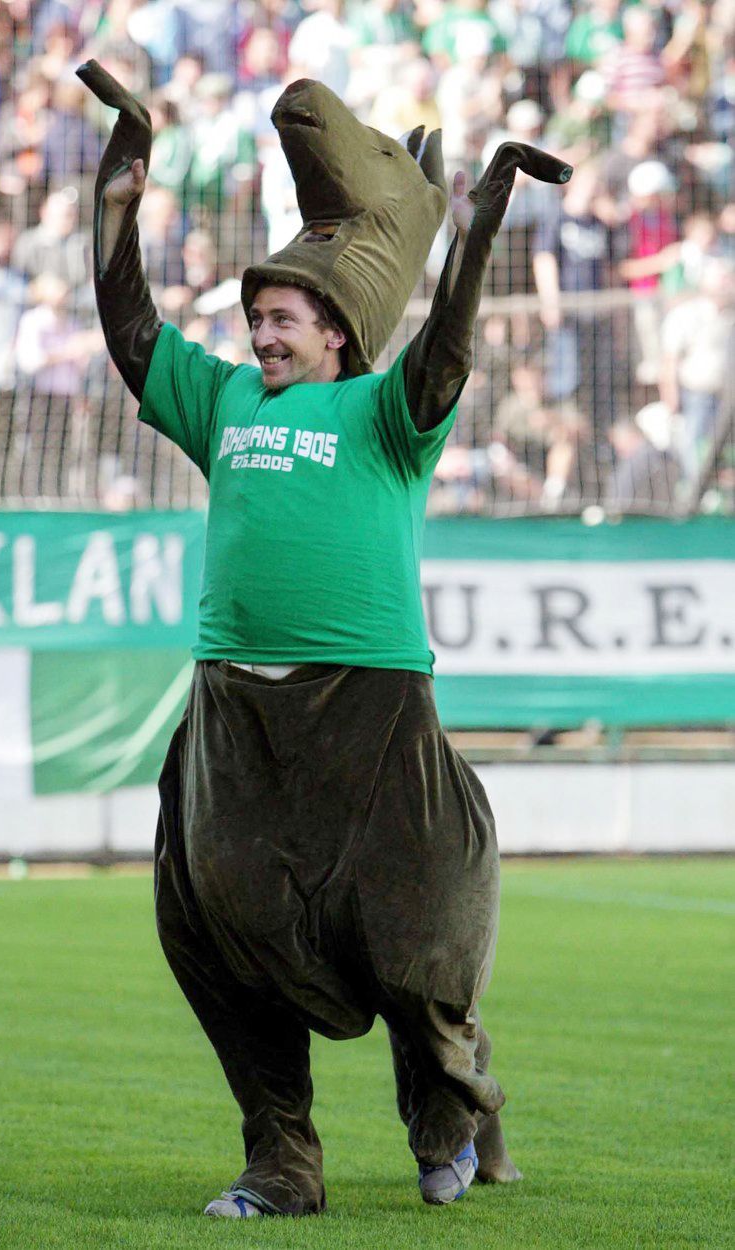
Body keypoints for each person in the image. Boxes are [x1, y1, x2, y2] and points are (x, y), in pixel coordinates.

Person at [77, 59, 570, 1220]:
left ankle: (451, 1109)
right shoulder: (225, 402)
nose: (261, 332)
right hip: (236, 711)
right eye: (254, 318)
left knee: (415, 932)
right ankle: (281, 1161)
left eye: (282, 317)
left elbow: (445, 350)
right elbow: (132, 332)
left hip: (372, 706)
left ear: (340, 333)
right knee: (216, 925)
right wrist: (118, 206)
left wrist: (475, 235)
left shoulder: (383, 414)